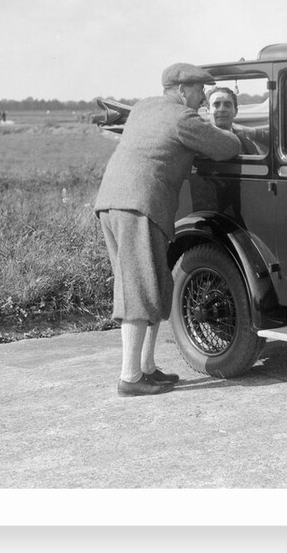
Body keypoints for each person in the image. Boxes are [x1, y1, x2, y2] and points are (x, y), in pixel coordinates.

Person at [94, 63, 243, 397]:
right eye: (199, 89)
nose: (204, 96)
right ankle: (130, 377)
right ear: (181, 90)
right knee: (139, 288)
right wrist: (237, 133)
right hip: (139, 205)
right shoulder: (182, 118)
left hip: (113, 202)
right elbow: (226, 148)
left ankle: (146, 368)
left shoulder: (145, 107)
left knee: (155, 282)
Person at [205, 86, 268, 155]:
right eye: (216, 105)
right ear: (207, 111)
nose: (222, 109)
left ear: (236, 111)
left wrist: (254, 133)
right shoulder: (200, 139)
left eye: (227, 105)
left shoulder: (246, 142)